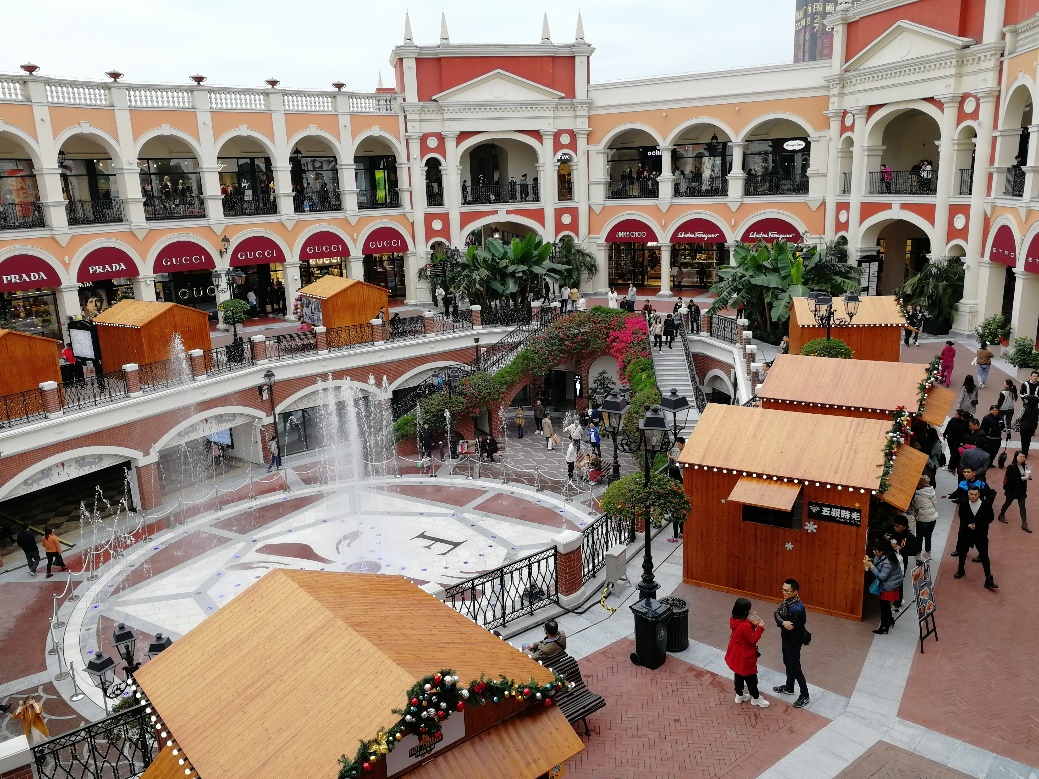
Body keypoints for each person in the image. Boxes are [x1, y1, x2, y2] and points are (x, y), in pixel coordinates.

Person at [951, 485, 998, 590]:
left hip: (980, 534)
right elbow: (961, 515)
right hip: (966, 533)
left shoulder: (985, 504)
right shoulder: (964, 502)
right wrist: (967, 524)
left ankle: (988, 578)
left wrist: (978, 526)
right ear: (968, 494)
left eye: (975, 494)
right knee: (962, 553)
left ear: (979, 494)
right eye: (971, 494)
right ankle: (961, 570)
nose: (973, 496)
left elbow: (990, 518)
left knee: (984, 556)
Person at [724, 598, 769, 708]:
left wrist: (753, 625)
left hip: (736, 653)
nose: (750, 612)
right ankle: (756, 698)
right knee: (751, 678)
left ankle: (739, 695)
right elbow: (753, 639)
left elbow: (745, 630)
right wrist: (760, 627)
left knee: (738, 674)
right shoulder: (745, 625)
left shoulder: (734, 620)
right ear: (744, 611)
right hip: (745, 656)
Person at [772, 579, 810, 709]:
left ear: (795, 592)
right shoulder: (787, 601)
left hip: (793, 641)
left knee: (795, 667)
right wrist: (783, 622)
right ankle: (789, 687)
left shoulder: (798, 609)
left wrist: (781, 622)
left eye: (787, 591)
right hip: (786, 638)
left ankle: (805, 695)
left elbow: (790, 628)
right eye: (783, 590)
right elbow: (776, 614)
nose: (784, 593)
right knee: (787, 663)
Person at [864, 536, 903, 634]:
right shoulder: (887, 555)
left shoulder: (888, 562)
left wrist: (871, 566)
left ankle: (884, 626)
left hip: (889, 586)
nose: (874, 552)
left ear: (881, 551)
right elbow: (877, 563)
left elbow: (882, 576)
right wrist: (870, 561)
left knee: (884, 607)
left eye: (875, 550)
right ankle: (889, 620)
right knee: (885, 605)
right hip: (891, 584)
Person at [998, 450, 1031, 533]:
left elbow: (1027, 477)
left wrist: (1028, 475)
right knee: (1008, 503)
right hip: (1012, 489)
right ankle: (1001, 515)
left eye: (1023, 457)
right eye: (1020, 457)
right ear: (1016, 457)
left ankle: (1024, 523)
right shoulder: (1011, 467)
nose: (1022, 458)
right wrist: (1021, 478)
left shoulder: (1025, 466)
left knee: (1022, 506)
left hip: (1021, 490)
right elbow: (1010, 479)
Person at [911, 476, 939, 558]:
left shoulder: (919, 495)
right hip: (933, 518)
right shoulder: (931, 491)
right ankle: (928, 553)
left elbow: (915, 507)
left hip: (923, 520)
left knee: (919, 537)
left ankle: (918, 553)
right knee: (928, 536)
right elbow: (935, 504)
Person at [1020, 391, 1039, 456]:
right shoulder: (1037, 409)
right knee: (1028, 439)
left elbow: (1020, 417)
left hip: (1024, 426)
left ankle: (1023, 451)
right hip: (1033, 426)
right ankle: (1026, 450)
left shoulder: (1025, 408)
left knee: (1024, 439)